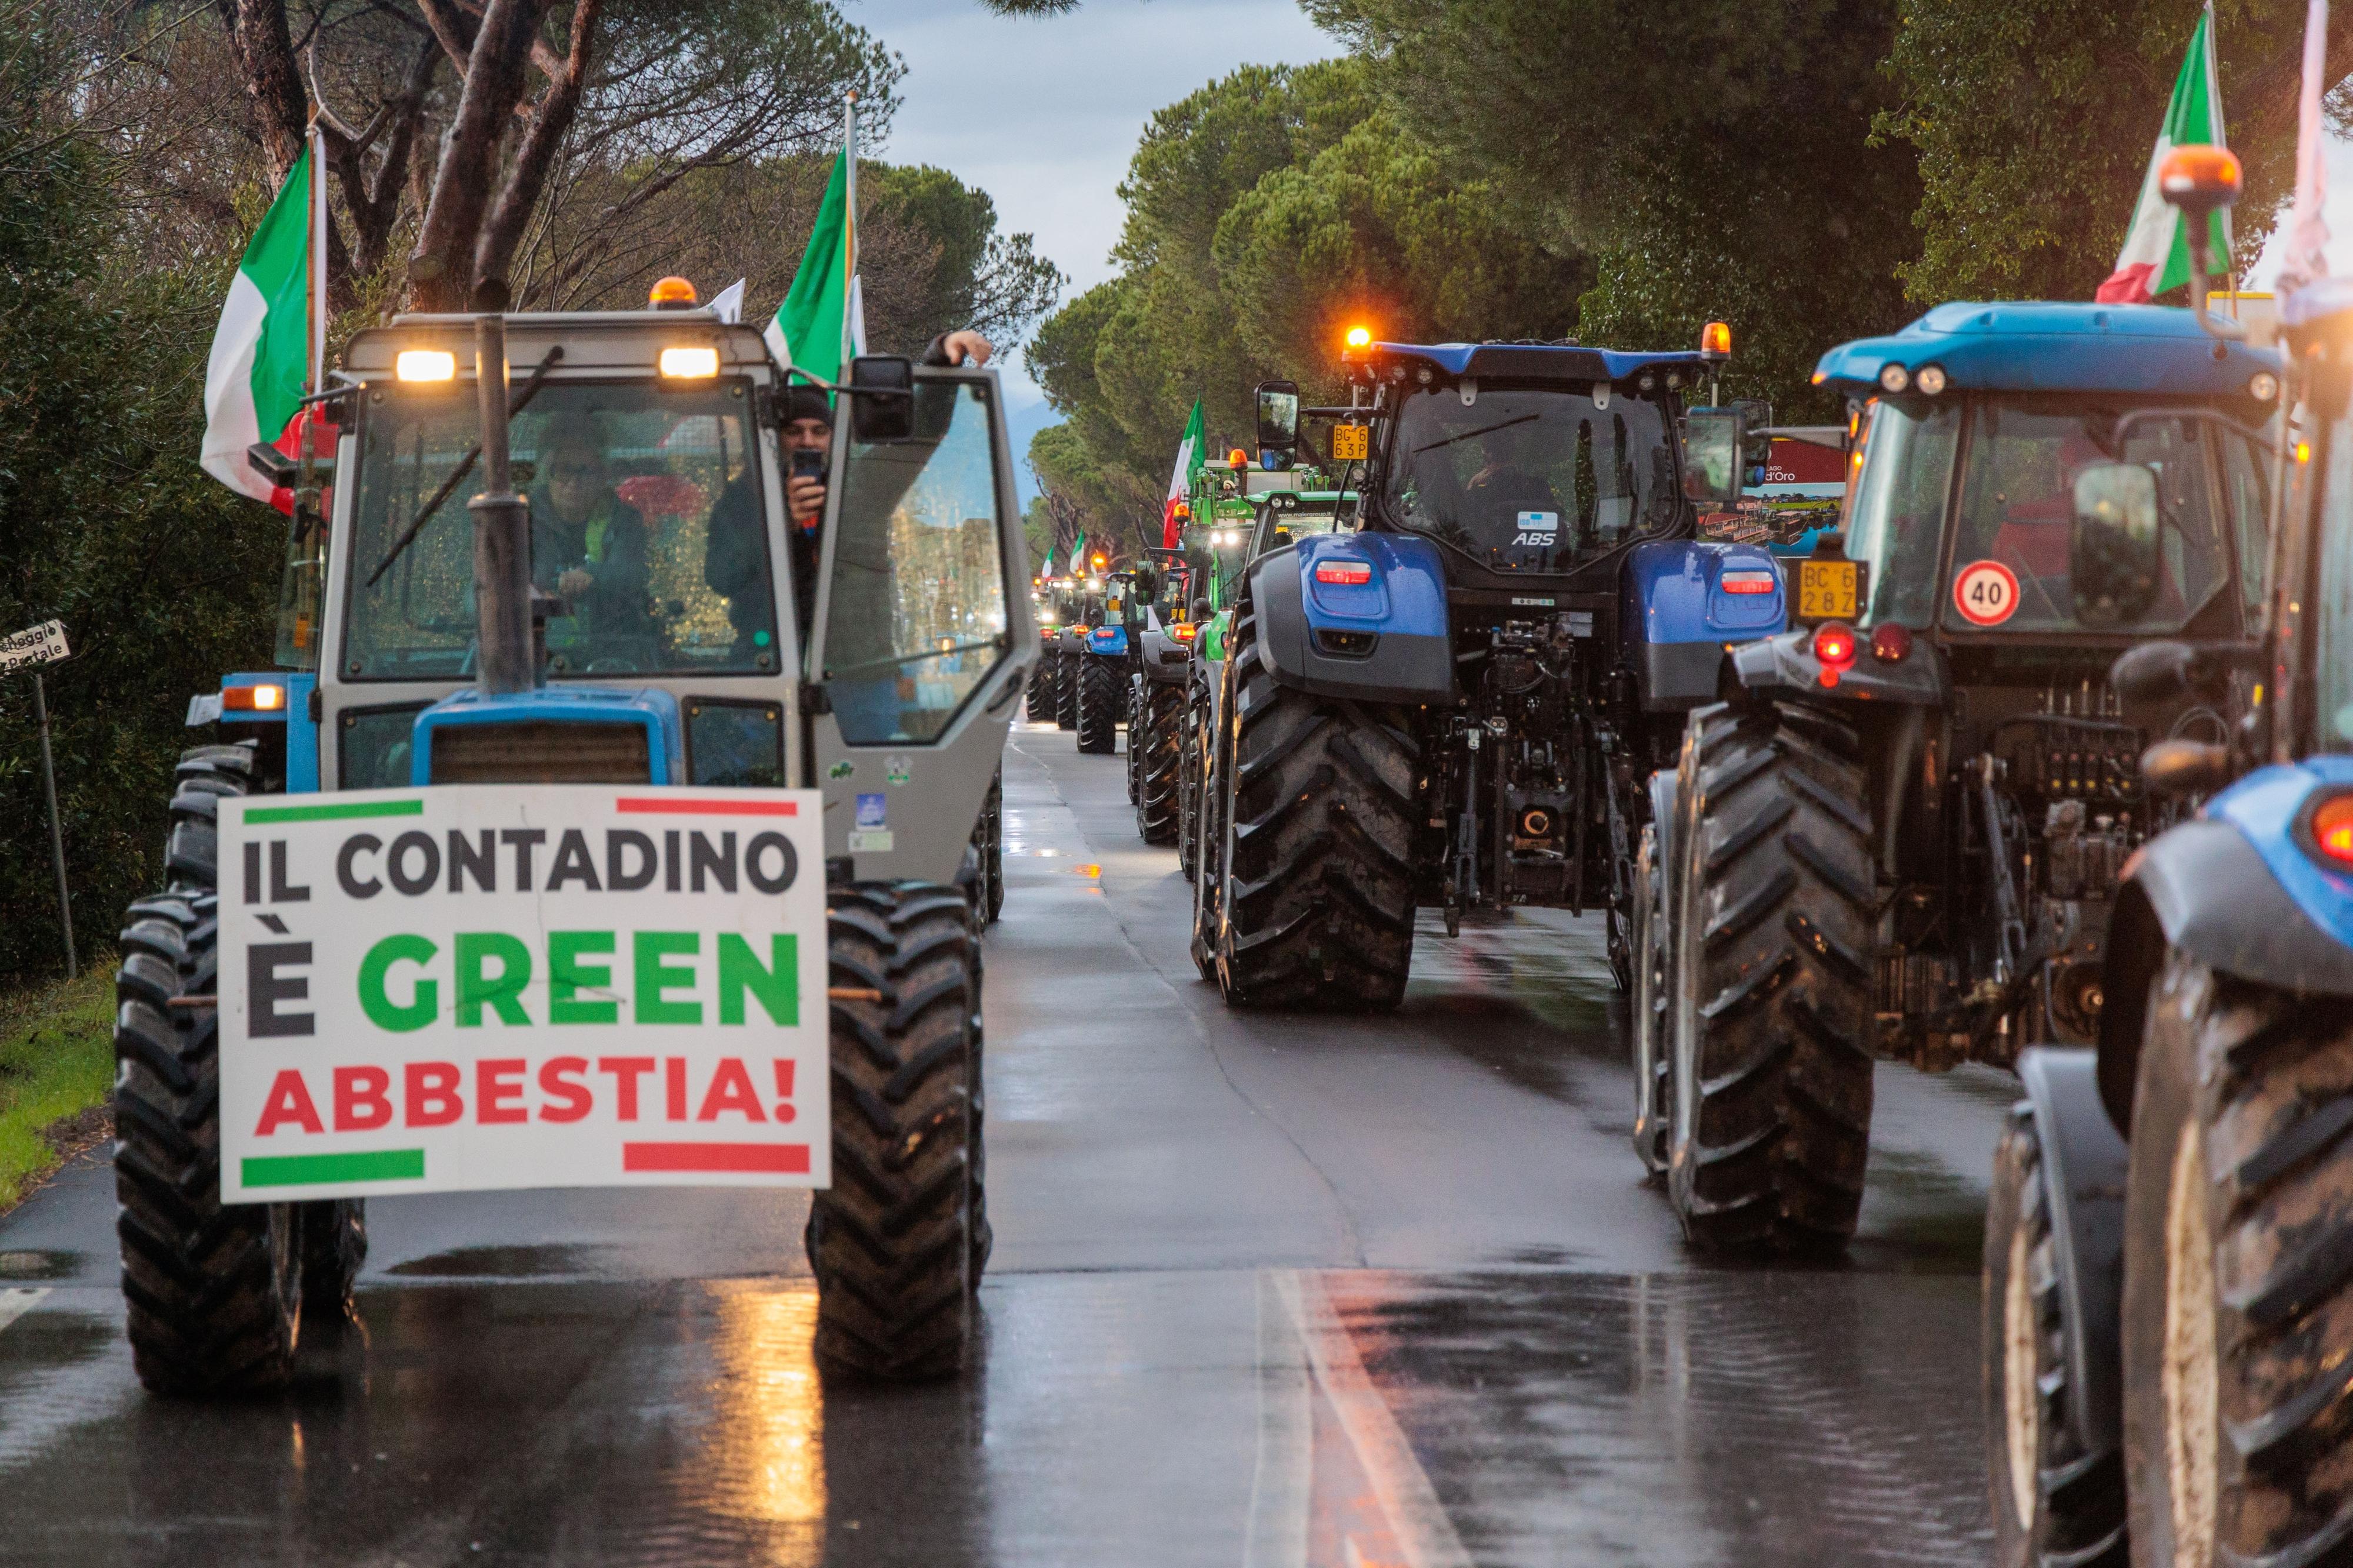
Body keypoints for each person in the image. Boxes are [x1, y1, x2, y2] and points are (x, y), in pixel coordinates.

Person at [528, 414, 654, 667]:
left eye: (586, 471)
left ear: (603, 476)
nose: (574, 482)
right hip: (533, 655)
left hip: (615, 654)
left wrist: (593, 576)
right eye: (565, 471)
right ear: (547, 474)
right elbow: (482, 592)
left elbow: (632, 575)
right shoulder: (520, 522)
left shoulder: (624, 520)